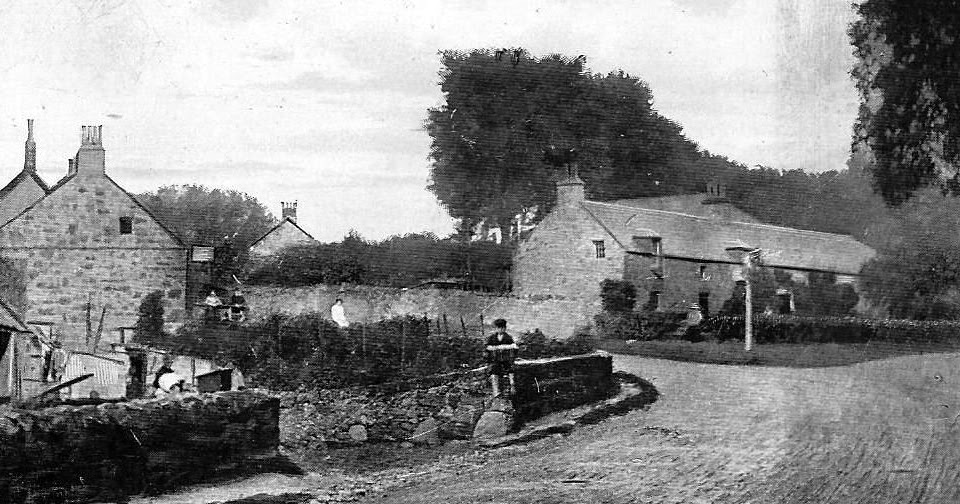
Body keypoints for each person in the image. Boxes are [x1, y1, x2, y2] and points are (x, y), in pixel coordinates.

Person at [485, 318, 518, 397]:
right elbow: (488, 347)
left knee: (510, 369)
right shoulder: (492, 337)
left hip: (506, 359)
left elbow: (514, 346)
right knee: (494, 371)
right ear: (496, 328)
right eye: (499, 328)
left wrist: (502, 348)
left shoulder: (508, 337)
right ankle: (496, 391)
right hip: (496, 359)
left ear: (505, 328)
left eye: (502, 328)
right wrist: (498, 348)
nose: (501, 329)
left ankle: (512, 387)